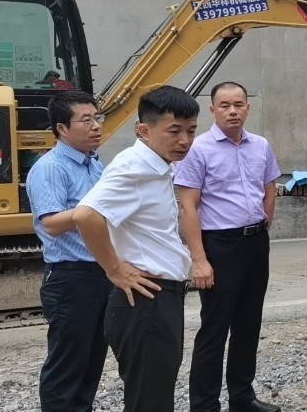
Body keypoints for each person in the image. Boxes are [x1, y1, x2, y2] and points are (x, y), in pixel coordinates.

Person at [72, 86, 200, 412]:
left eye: (191, 131)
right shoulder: (134, 168)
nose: (184, 140)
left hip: (159, 298)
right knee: (150, 403)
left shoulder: (158, 166)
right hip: (145, 302)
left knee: (153, 398)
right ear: (143, 130)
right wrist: (115, 269)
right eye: (174, 130)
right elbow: (86, 216)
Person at [175, 82, 282, 412]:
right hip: (220, 246)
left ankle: (242, 397)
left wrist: (262, 225)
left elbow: (269, 189)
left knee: (249, 325)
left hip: (255, 243)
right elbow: (188, 206)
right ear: (212, 110)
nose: (232, 111)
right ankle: (205, 405)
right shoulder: (198, 149)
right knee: (214, 329)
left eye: (238, 104)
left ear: (248, 108)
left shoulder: (260, 145)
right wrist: (198, 259)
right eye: (224, 105)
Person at [26, 91, 108, 411]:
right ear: (61, 128)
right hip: (70, 278)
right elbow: (52, 224)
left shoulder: (94, 164)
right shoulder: (50, 167)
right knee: (67, 364)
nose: (96, 126)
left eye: (97, 118)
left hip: (101, 272)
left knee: (92, 359)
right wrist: (89, 213)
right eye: (86, 120)